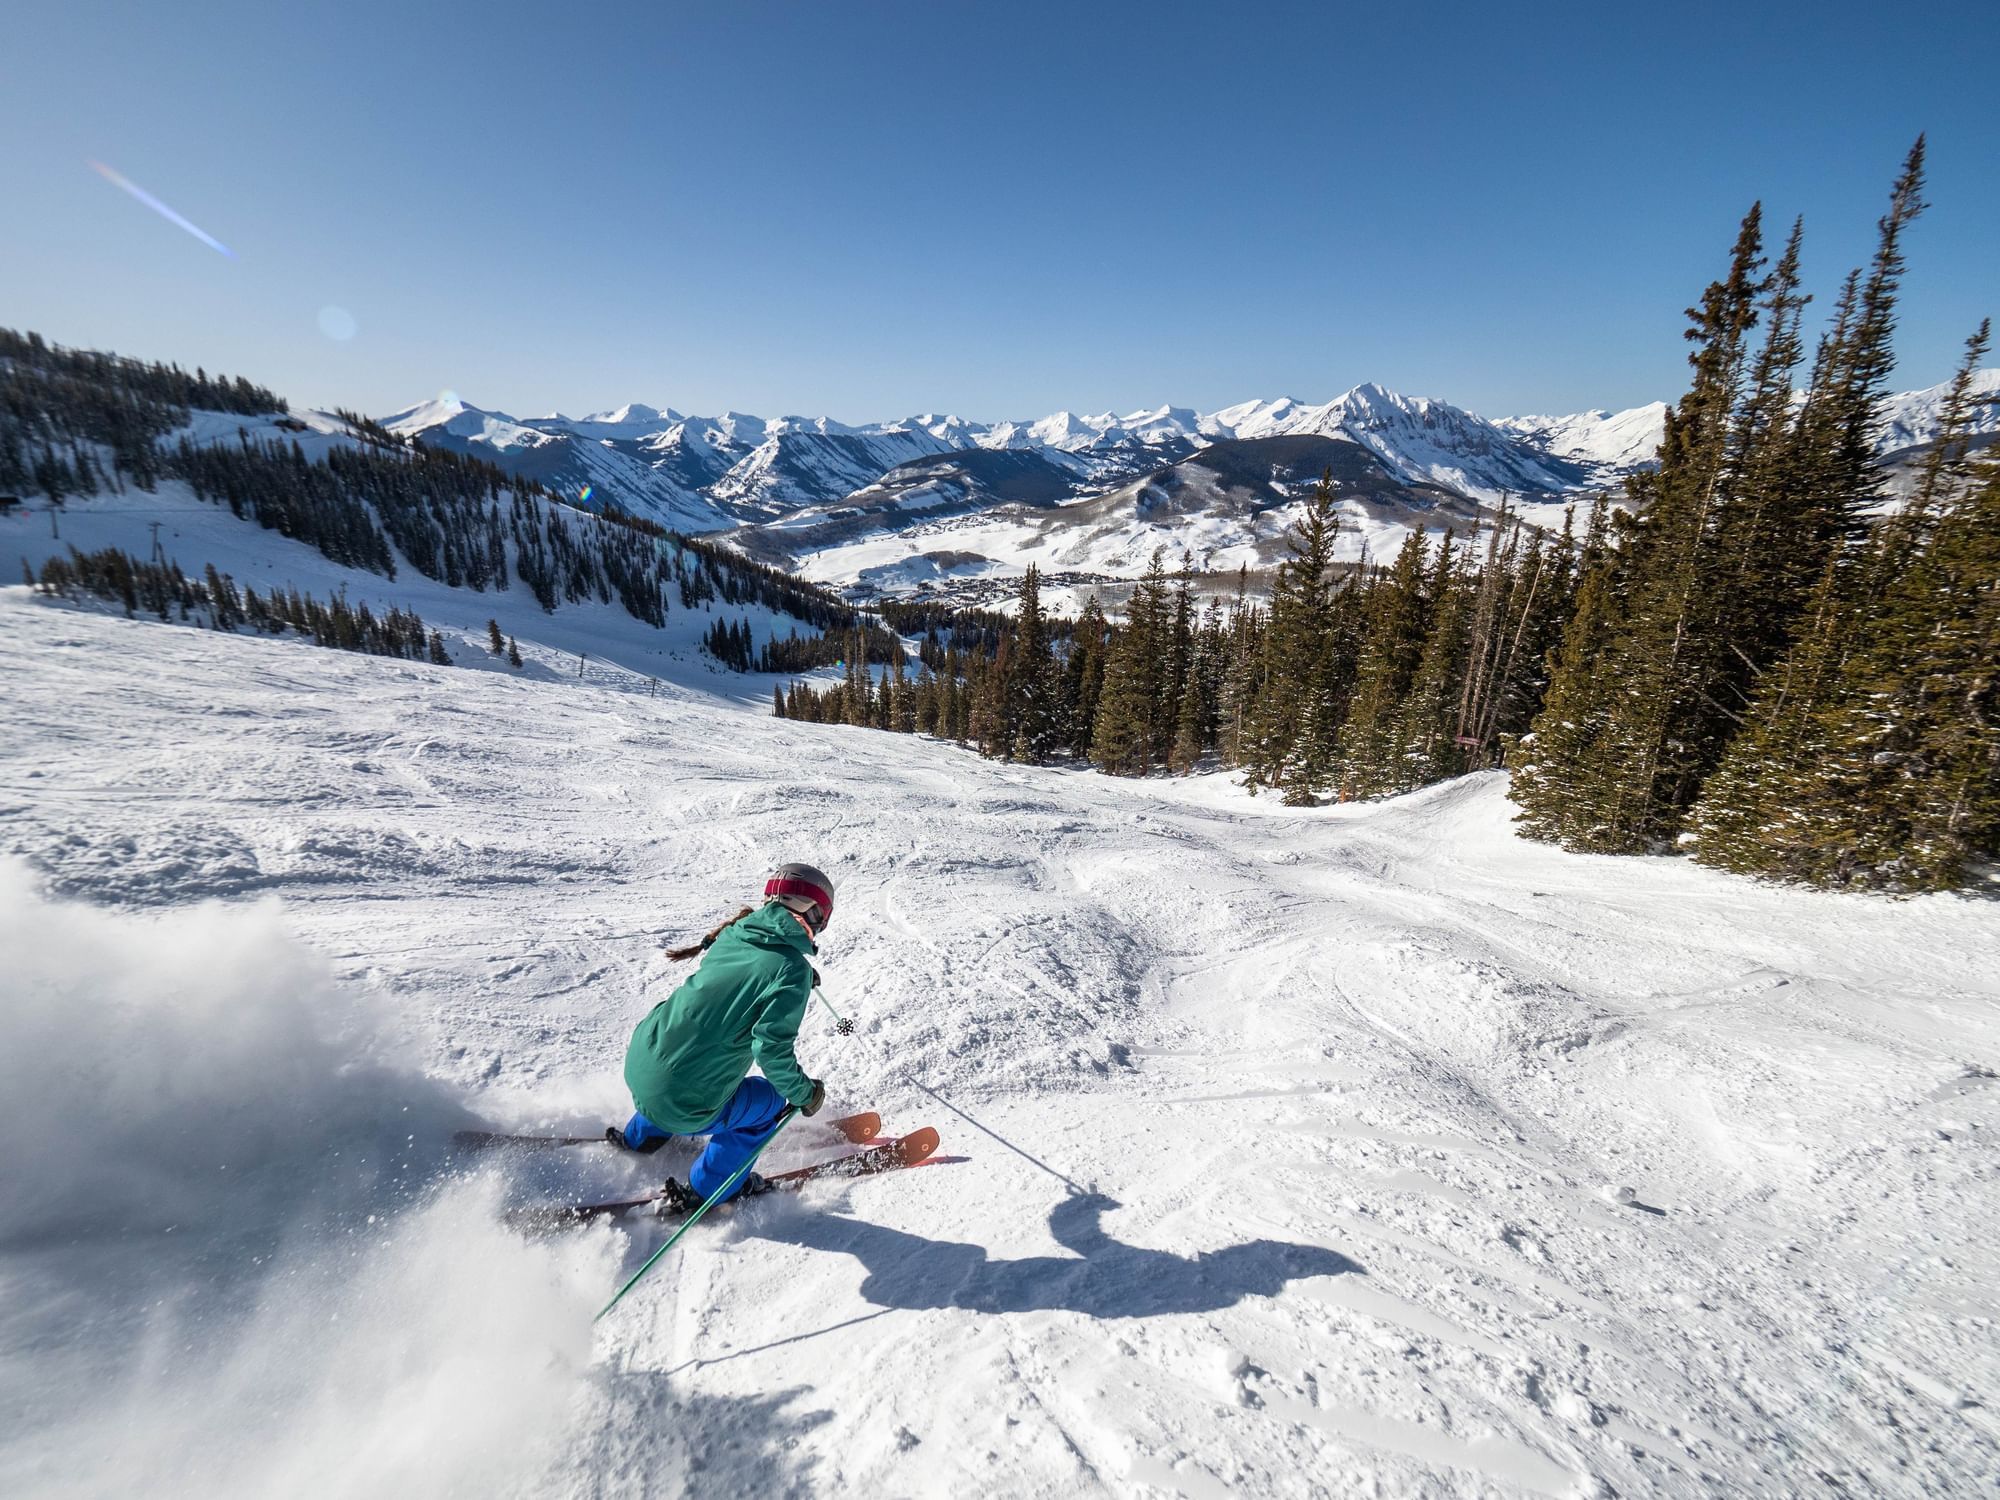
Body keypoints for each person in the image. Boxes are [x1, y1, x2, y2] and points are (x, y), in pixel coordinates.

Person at [612, 862, 835, 1214]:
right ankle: (709, 1189)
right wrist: (804, 1094)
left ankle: (641, 1136)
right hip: (682, 1100)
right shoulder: (790, 971)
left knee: (686, 1060)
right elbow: (772, 1051)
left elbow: (745, 975)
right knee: (773, 1103)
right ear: (813, 911)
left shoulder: (736, 934)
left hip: (642, 1062)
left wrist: (797, 974)